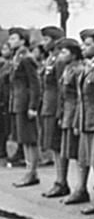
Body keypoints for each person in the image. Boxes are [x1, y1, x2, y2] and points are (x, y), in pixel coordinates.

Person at [67, 30, 94, 211]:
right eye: (83, 44)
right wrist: (79, 121)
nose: (83, 48)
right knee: (90, 159)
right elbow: (81, 97)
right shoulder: (89, 66)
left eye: (88, 45)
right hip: (86, 119)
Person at [8, 27, 41, 187]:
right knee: (25, 140)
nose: (10, 41)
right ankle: (29, 171)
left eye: (14, 38)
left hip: (25, 103)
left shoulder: (26, 58)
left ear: (22, 40)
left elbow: (35, 84)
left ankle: (32, 172)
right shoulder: (18, 57)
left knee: (30, 139)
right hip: (18, 103)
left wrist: (33, 106)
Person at [39, 26, 69, 197]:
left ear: (55, 40)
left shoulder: (59, 60)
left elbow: (60, 87)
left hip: (55, 106)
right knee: (54, 146)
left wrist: (60, 111)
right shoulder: (51, 58)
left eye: (46, 39)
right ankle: (59, 180)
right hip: (48, 105)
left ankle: (61, 181)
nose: (44, 43)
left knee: (58, 146)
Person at [55, 39, 85, 198]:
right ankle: (66, 184)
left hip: (74, 114)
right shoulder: (67, 69)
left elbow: (81, 97)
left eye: (64, 52)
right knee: (67, 151)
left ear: (74, 55)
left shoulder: (79, 70)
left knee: (78, 154)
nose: (61, 55)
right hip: (67, 113)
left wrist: (77, 120)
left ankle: (80, 188)